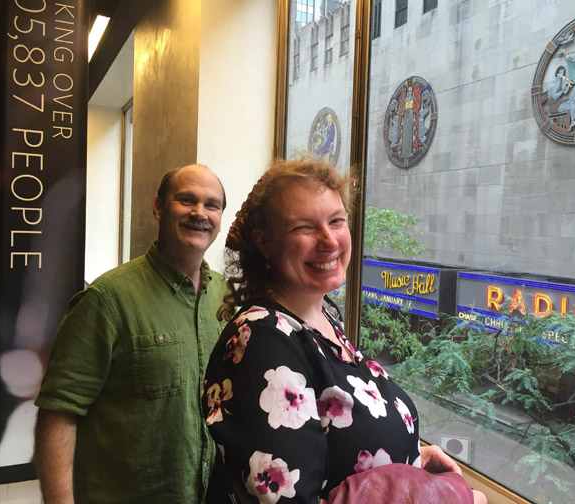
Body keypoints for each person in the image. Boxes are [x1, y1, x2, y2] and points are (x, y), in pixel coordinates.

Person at [201, 159, 486, 504]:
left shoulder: (321, 320)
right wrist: (446, 498)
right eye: (303, 228)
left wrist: (408, 460)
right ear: (264, 242)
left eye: (337, 221)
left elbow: (335, 453)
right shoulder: (262, 341)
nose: (329, 240)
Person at [34, 164, 229, 503]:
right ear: (158, 207)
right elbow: (59, 412)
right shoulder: (107, 299)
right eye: (186, 200)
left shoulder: (226, 299)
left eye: (212, 205)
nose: (200, 213)